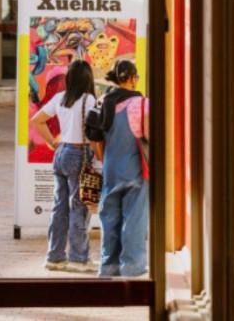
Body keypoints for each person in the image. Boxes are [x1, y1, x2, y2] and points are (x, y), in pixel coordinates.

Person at [31, 60, 98, 272]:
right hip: (79, 153)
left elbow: (37, 120)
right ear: (88, 78)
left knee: (60, 206)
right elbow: (94, 133)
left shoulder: (61, 98)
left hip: (61, 154)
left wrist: (53, 142)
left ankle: (55, 256)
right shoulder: (89, 100)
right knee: (78, 206)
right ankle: (78, 258)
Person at [95, 59, 149, 277]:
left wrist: (104, 159)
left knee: (109, 218)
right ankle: (132, 265)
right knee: (134, 218)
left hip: (111, 168)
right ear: (133, 78)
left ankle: (108, 266)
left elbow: (94, 138)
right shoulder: (141, 103)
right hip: (134, 167)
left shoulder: (102, 101)